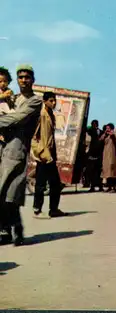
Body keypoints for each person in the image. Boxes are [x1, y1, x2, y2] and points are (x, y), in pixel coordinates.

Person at [0, 64, 43, 245]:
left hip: (16, 149)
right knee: (8, 193)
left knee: (9, 192)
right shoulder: (14, 98)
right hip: (4, 147)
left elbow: (17, 119)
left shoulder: (35, 101)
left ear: (33, 80)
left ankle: (11, 230)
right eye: (20, 77)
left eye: (27, 77)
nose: (24, 80)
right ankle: (12, 230)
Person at [32, 91, 67, 218]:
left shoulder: (51, 114)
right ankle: (37, 209)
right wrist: (40, 151)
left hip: (50, 153)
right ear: (44, 101)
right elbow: (34, 136)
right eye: (51, 101)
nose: (53, 103)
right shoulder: (41, 114)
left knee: (55, 183)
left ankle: (53, 209)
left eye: (54, 101)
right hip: (43, 154)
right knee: (41, 183)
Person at [100, 123, 116, 192]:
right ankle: (109, 186)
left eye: (108, 128)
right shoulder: (105, 135)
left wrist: (111, 134)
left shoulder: (113, 134)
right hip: (105, 155)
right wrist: (105, 133)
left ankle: (113, 187)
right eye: (106, 128)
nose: (107, 129)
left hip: (111, 155)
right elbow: (100, 139)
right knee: (107, 171)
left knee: (112, 171)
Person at [86, 120, 103, 192]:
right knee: (95, 171)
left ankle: (96, 186)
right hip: (95, 154)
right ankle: (95, 186)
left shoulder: (93, 131)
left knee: (95, 171)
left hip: (94, 154)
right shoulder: (96, 131)